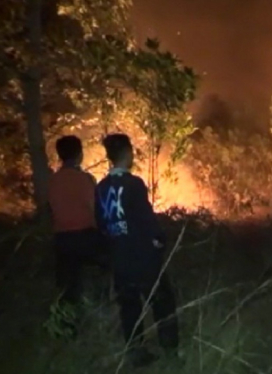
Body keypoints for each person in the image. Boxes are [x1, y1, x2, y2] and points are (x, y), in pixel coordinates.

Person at [95, 133, 179, 368]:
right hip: (142, 256)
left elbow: (101, 223)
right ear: (127, 152)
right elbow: (146, 220)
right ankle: (170, 350)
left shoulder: (101, 187)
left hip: (119, 257)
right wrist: (159, 241)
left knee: (129, 307)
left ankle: (136, 352)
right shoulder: (133, 184)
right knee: (162, 301)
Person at [47, 135, 110, 334]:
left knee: (68, 286)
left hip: (62, 239)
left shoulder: (53, 181)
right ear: (80, 154)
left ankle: (68, 328)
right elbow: (96, 208)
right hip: (86, 236)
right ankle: (103, 313)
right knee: (105, 269)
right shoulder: (86, 180)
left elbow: (51, 210)